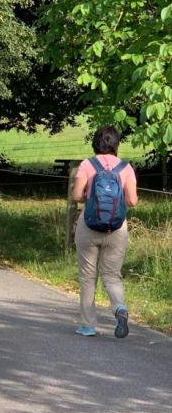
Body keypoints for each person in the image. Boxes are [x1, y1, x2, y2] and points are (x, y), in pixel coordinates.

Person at [72, 125, 138, 338]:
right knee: (112, 276)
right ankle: (119, 308)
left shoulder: (87, 165)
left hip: (89, 225)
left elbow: (76, 196)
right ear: (116, 143)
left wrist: (88, 197)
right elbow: (132, 201)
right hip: (117, 227)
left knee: (88, 277)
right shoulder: (126, 168)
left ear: (96, 143)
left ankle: (88, 325)